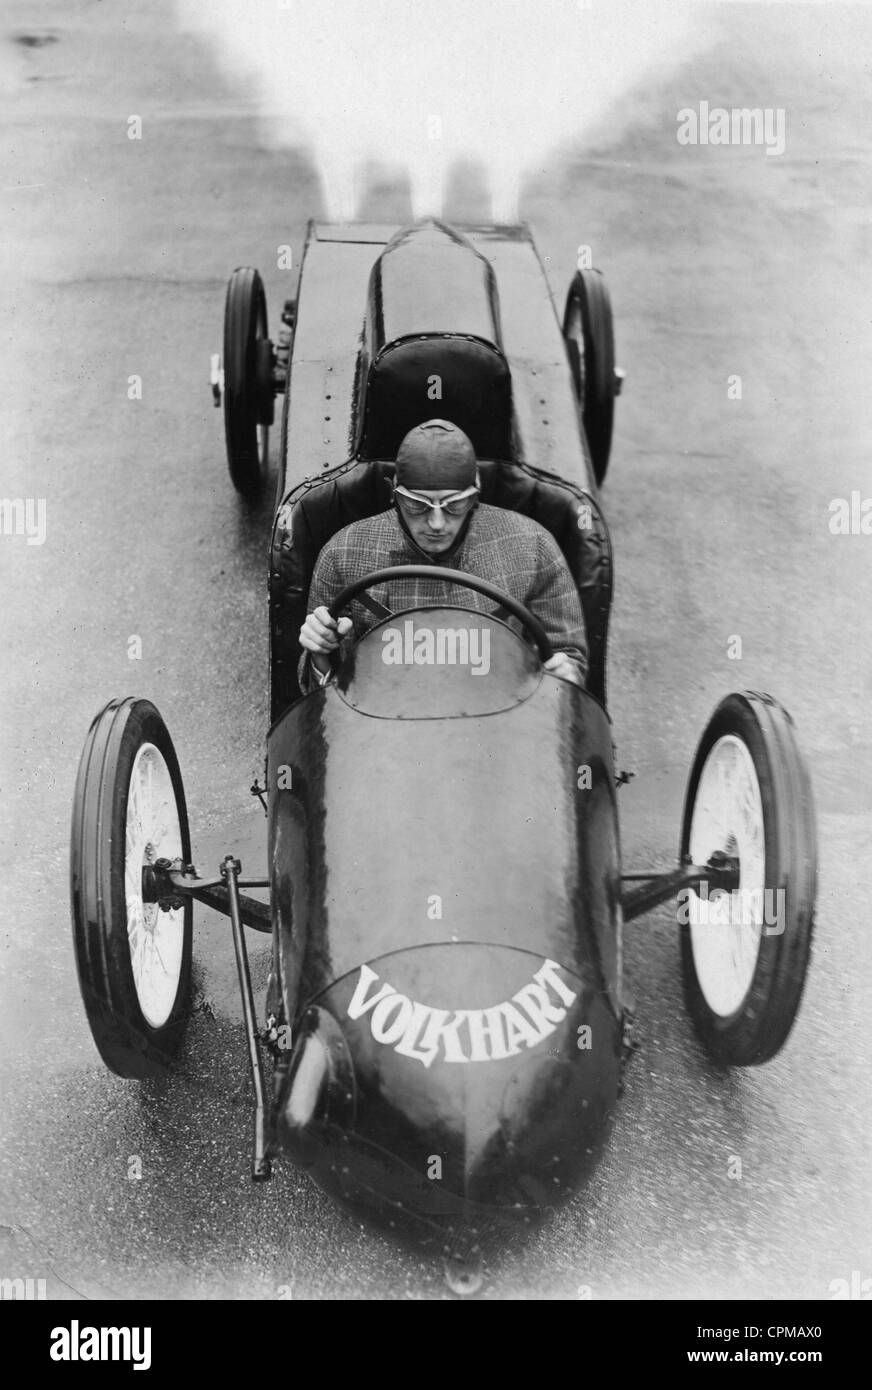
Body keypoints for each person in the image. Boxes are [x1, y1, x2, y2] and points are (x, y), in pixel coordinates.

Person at [298, 419, 587, 690]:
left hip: (497, 716)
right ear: (395, 494)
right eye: (416, 505)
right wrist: (319, 654)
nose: (436, 523)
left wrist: (566, 674)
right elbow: (324, 698)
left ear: (475, 496)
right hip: (381, 719)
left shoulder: (532, 547)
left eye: (454, 505)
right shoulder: (343, 554)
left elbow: (567, 654)